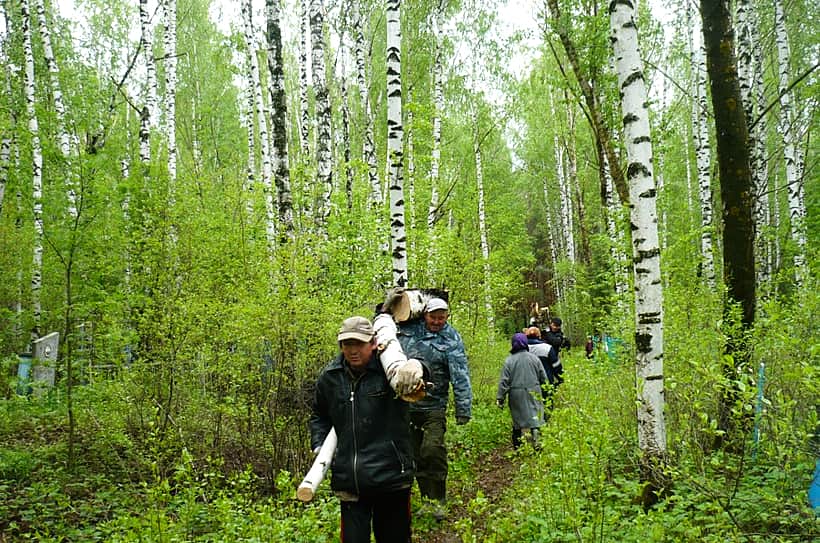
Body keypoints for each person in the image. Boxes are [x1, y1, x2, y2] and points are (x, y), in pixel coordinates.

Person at [309, 316, 424, 543]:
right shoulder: (330, 378)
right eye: (347, 344)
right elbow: (319, 416)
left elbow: (417, 372)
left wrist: (419, 367)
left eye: (359, 344)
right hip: (350, 482)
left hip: (391, 479)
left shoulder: (390, 371)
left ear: (373, 343)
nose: (353, 350)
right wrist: (319, 445)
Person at [397, 297, 472, 521]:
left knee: (432, 449)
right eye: (433, 317)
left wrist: (463, 408)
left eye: (442, 317)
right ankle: (426, 500)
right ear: (425, 315)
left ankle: (438, 499)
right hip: (407, 406)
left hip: (434, 406)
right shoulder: (409, 330)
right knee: (415, 454)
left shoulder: (451, 338)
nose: (437, 321)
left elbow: (460, 375)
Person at [497, 333, 548, 449]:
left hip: (516, 393)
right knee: (535, 415)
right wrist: (546, 390)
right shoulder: (534, 358)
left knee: (517, 419)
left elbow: (504, 382)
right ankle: (537, 440)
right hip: (534, 391)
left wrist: (500, 398)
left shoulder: (509, 361)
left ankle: (517, 445)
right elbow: (543, 377)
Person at [541, 317, 569, 384]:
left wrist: (548, 333)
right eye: (553, 325)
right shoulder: (545, 331)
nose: (554, 328)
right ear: (551, 324)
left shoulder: (559, 334)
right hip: (544, 356)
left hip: (553, 356)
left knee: (558, 374)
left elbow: (555, 342)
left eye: (557, 326)